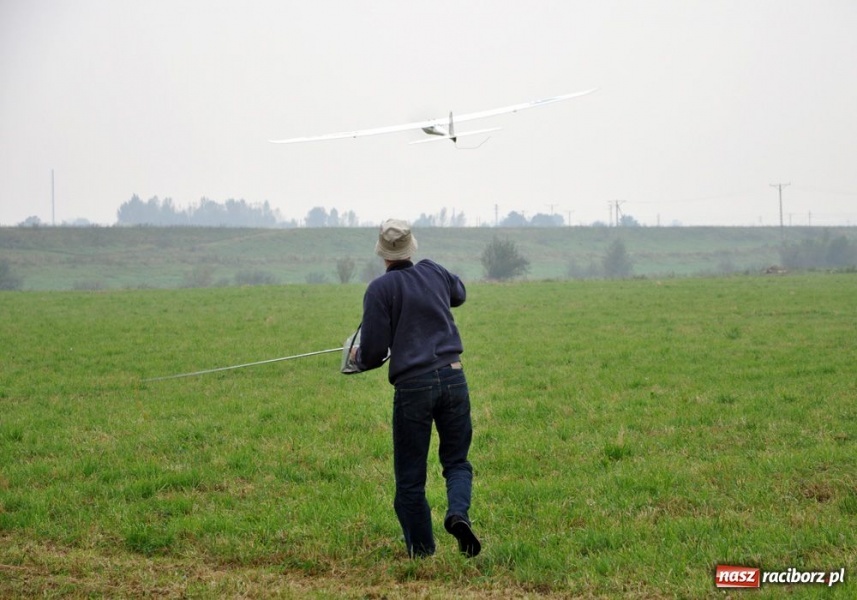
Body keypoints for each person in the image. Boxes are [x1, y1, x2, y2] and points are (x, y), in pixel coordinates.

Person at [352, 219, 481, 559]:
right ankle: (458, 514)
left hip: (413, 387)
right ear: (411, 247)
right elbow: (459, 293)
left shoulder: (379, 290)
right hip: (453, 377)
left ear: (383, 254)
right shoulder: (433, 271)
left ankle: (422, 553)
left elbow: (373, 352)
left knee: (410, 478)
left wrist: (356, 358)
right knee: (457, 462)